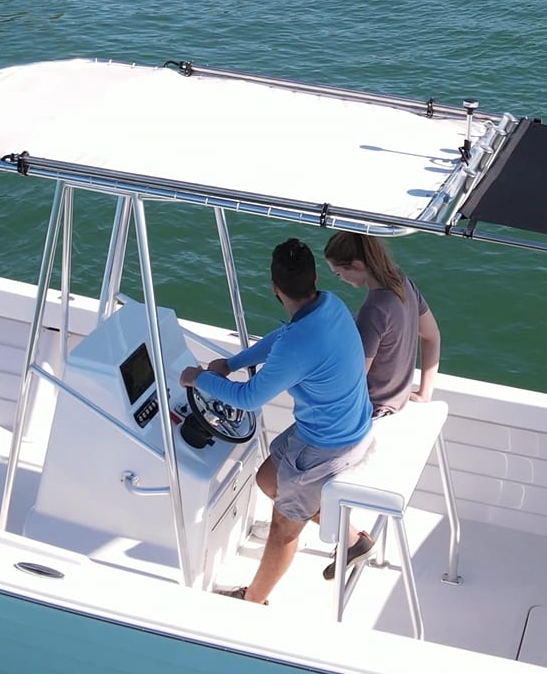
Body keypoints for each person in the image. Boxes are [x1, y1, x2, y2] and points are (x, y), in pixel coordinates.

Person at [181, 238, 373, 604]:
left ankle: (253, 601)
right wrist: (233, 364)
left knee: (284, 526)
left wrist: (199, 378)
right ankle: (354, 541)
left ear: (274, 288)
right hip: (345, 425)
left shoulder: (299, 343)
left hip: (328, 445)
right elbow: (281, 338)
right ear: (314, 277)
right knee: (267, 478)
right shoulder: (329, 305)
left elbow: (249, 397)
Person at [322, 231, 442, 417]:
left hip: (373, 408)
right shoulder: (402, 282)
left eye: (339, 273)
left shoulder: (373, 310)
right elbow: (432, 336)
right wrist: (424, 394)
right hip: (398, 401)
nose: (340, 279)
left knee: (282, 446)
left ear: (357, 265)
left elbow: (355, 378)